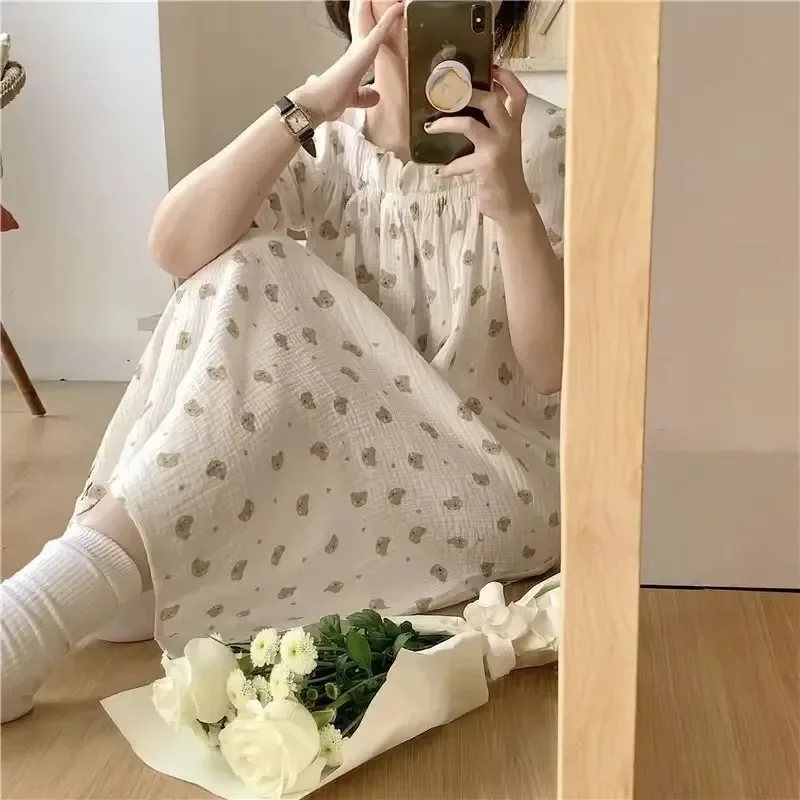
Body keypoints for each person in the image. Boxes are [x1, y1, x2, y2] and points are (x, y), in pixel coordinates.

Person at [1, 0, 565, 723]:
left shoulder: (545, 143)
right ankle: (97, 566)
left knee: (263, 271)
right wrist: (308, 104)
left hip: (485, 483)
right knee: (231, 269)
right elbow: (175, 246)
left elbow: (552, 369)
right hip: (352, 475)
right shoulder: (330, 149)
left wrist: (511, 204)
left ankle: (55, 593)